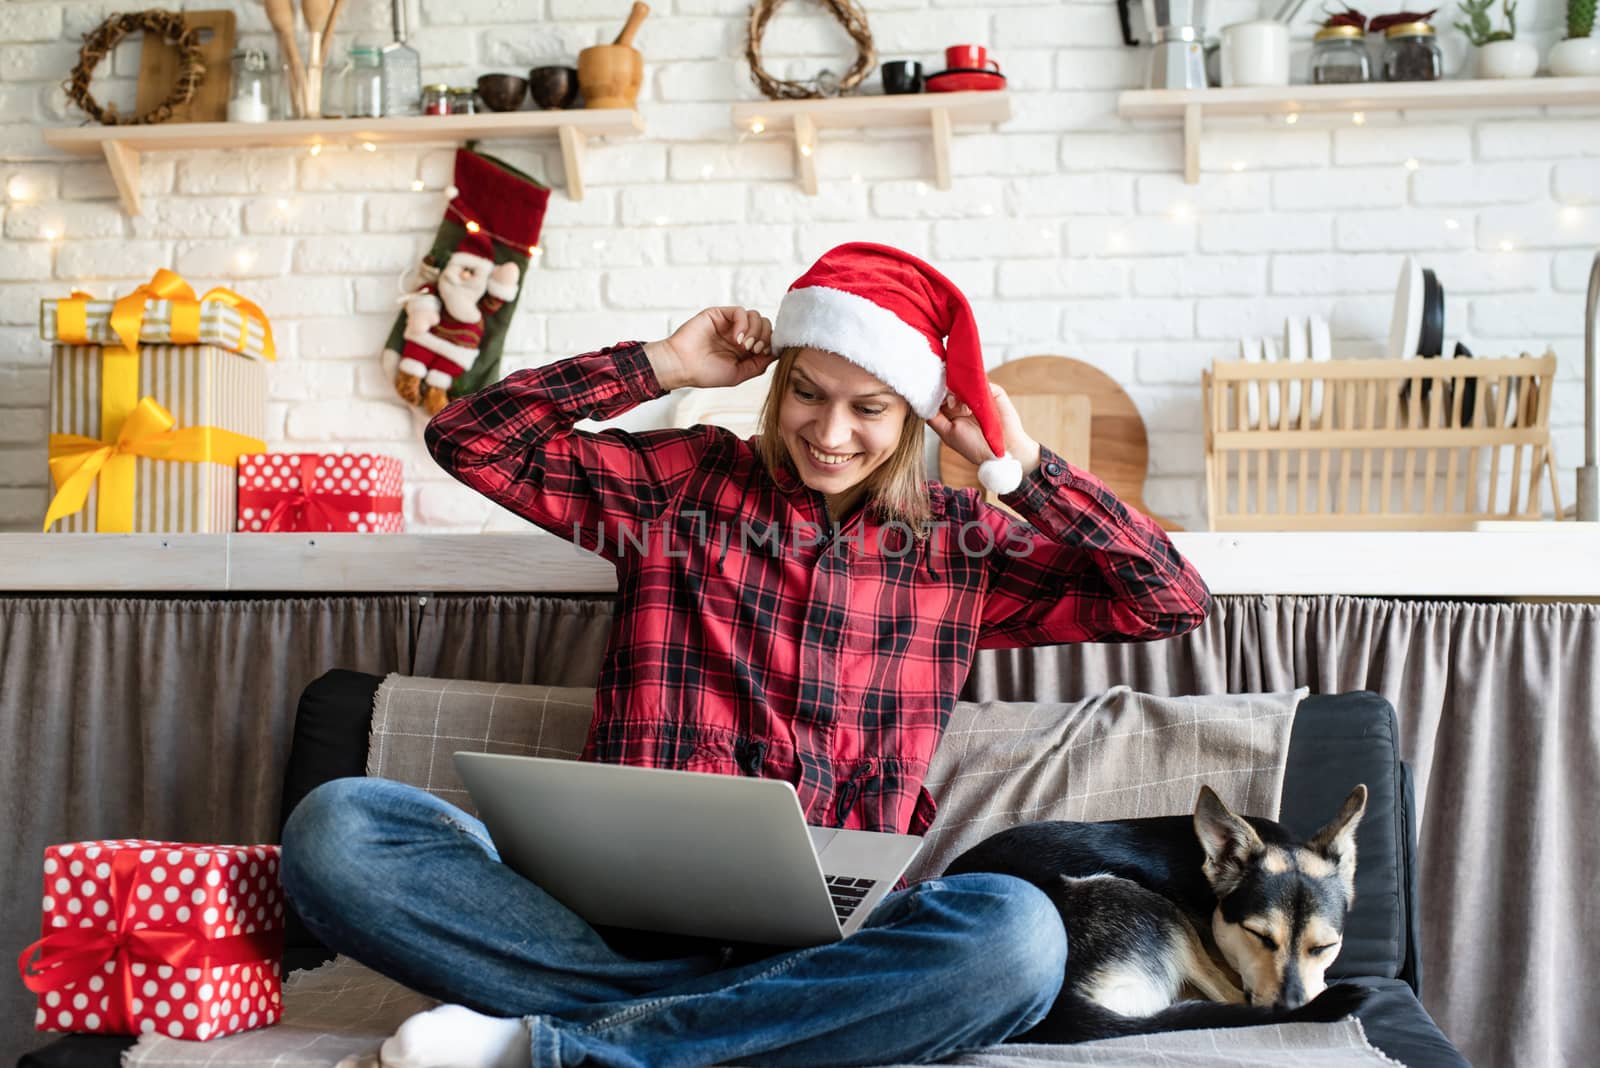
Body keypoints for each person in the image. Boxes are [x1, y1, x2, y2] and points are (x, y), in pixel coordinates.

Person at [281, 243, 1213, 1068]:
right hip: (606, 926)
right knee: (339, 828)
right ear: (778, 381)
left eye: (870, 408)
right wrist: (663, 364)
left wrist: (1023, 467)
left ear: (916, 418)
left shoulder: (960, 543)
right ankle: (742, 1030)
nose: (830, 432)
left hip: (825, 947)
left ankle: (558, 1046)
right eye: (807, 391)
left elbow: (1169, 600)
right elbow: (471, 439)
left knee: (1017, 940)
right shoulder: (683, 484)